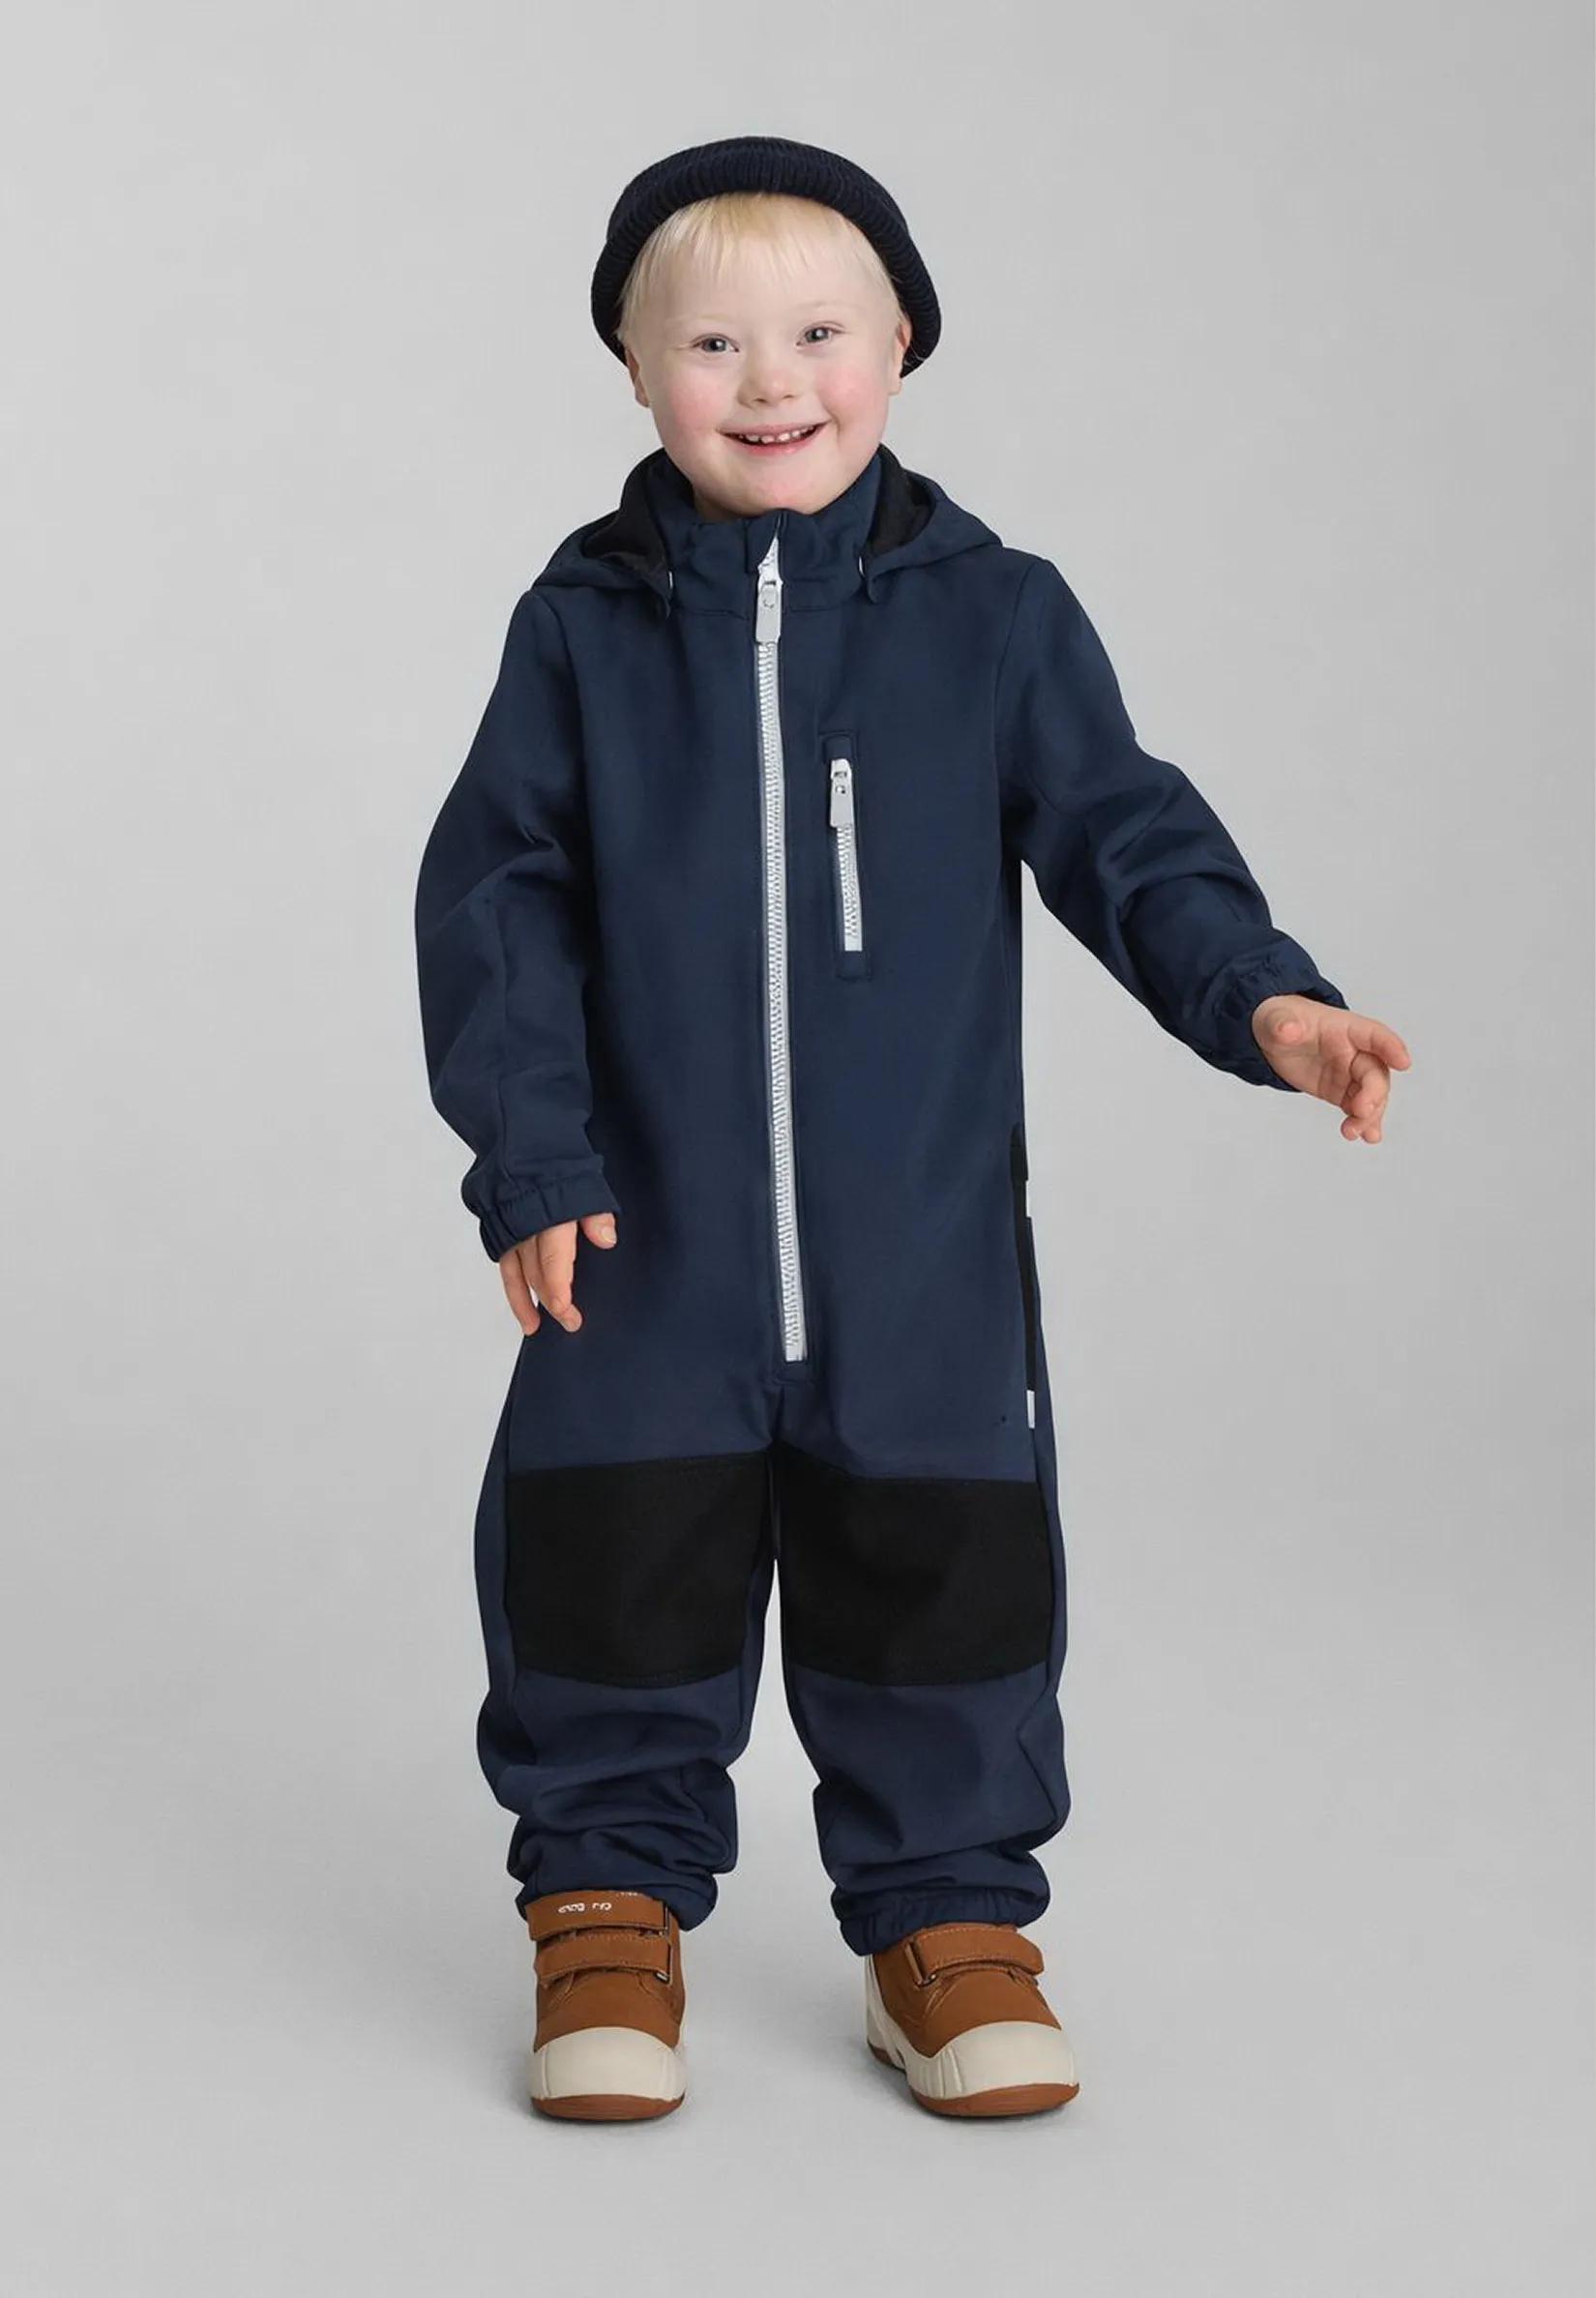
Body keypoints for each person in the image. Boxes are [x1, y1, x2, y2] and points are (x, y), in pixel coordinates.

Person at [412, 134, 1411, 2125]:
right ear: (634, 370)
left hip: (922, 1254)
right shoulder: (582, 624)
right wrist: (532, 1159)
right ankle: (604, 1907)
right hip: (641, 1244)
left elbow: (1128, 839)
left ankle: (947, 1925)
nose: (770, 381)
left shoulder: (995, 617)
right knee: (612, 1568)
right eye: (711, 342)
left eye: (818, 334)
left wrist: (1266, 1000)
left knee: (942, 1577)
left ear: (900, 350)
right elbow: (497, 901)